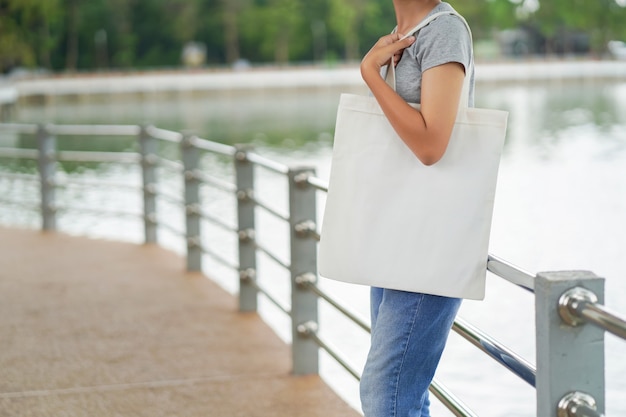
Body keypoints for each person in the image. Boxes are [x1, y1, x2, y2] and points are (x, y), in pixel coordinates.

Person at [358, 1, 473, 416]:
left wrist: (371, 74)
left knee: (385, 391)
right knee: (399, 392)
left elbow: (430, 145)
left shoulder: (444, 31)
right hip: (395, 229)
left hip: (431, 238)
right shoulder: (401, 33)